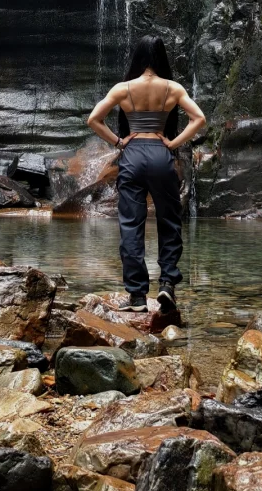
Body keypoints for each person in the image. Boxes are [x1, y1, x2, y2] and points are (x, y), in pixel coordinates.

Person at [87, 34, 206, 313]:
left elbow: (93, 119)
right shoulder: (173, 88)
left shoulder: (123, 88)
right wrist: (173, 143)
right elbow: (199, 118)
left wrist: (118, 141)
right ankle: (166, 284)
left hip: (132, 156)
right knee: (169, 221)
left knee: (131, 224)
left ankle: (138, 296)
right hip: (160, 154)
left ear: (138, 57)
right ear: (161, 57)